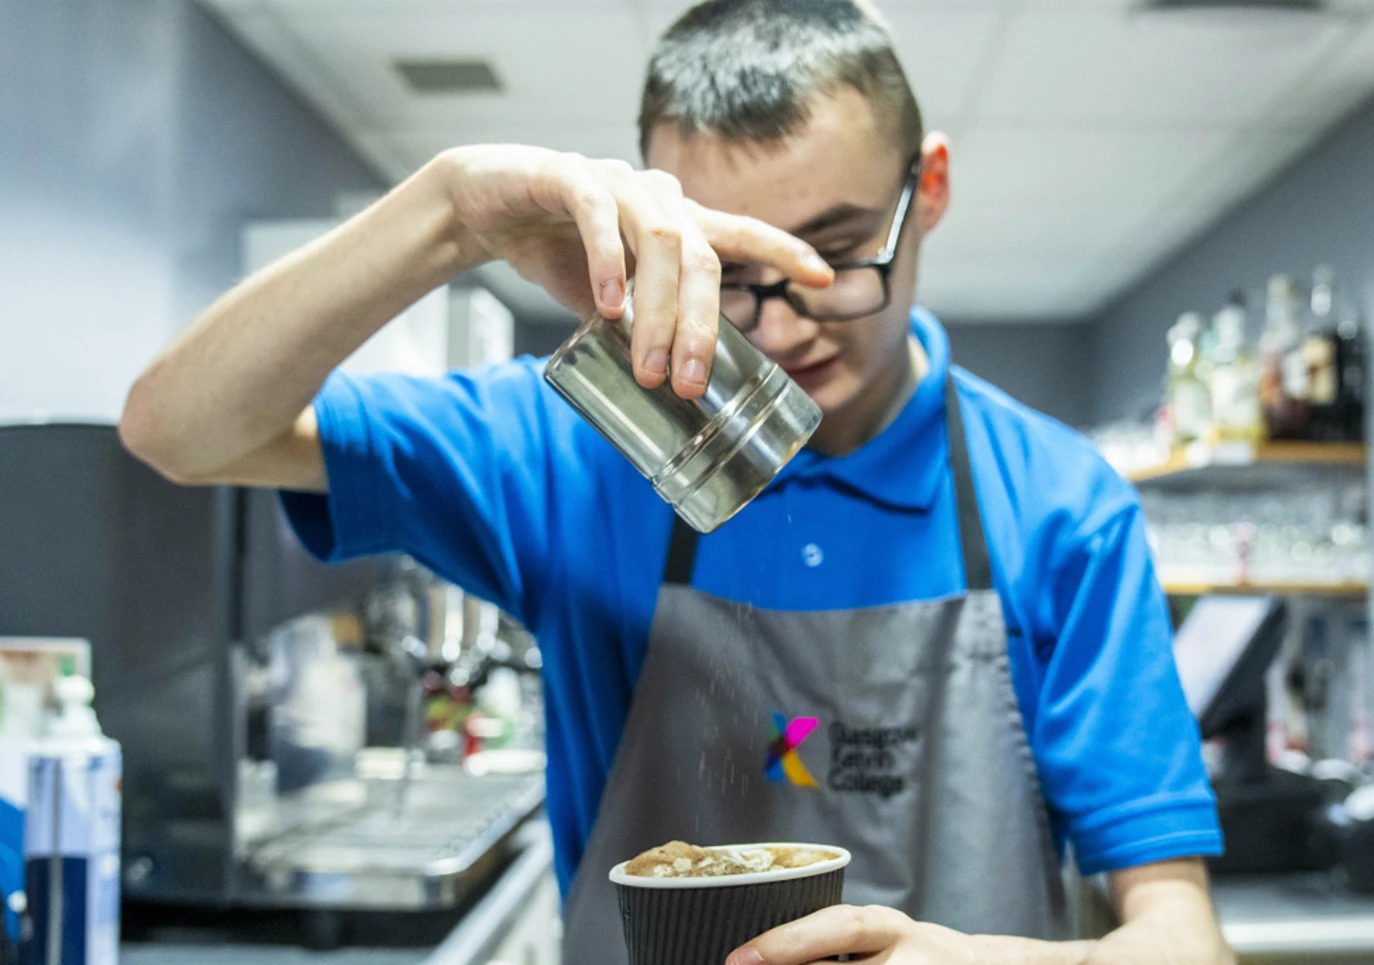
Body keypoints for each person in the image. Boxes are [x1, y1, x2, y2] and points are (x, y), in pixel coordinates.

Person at [121, 1, 1233, 961]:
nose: (786, 323)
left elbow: (1184, 935)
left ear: (926, 188)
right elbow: (181, 432)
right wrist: (449, 217)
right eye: (734, 269)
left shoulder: (1057, 501)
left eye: (838, 251)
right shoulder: (565, 446)